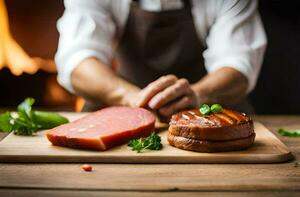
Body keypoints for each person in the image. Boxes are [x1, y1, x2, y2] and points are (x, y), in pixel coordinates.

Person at [55, 0, 266, 118]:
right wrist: (131, 98)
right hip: (120, 109)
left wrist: (197, 95)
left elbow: (238, 64)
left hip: (209, 113)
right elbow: (77, 59)